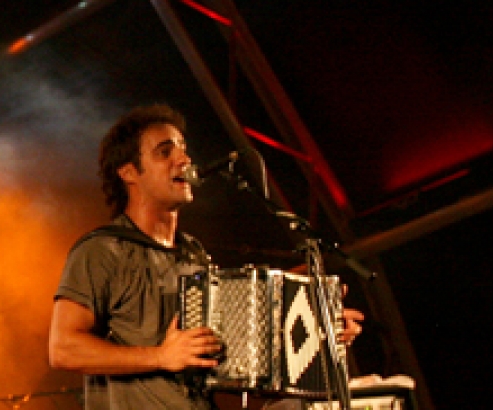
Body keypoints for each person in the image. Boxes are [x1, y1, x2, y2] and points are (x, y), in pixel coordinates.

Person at [47, 104, 363, 409]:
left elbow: (238, 358)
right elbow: (63, 349)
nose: (184, 159)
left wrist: (318, 330)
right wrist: (160, 356)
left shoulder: (193, 253)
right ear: (129, 172)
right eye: (165, 151)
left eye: (183, 148)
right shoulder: (101, 250)